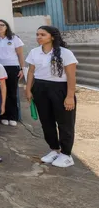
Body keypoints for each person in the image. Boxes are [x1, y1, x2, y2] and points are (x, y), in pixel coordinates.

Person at [25, 26, 78, 168]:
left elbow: (71, 76)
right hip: (40, 89)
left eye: (42, 34)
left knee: (65, 123)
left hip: (60, 89)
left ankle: (66, 154)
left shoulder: (65, 53)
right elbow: (31, 72)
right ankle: (54, 149)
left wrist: (70, 96)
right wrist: (28, 89)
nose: (39, 37)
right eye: (37, 34)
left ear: (52, 37)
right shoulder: (34, 52)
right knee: (46, 121)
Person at [0, 19, 26, 127]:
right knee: (0, 92)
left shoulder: (14, 38)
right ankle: (3, 116)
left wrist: (22, 69)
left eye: (2, 25)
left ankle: (13, 116)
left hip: (12, 67)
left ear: (6, 27)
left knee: (12, 93)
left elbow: (20, 54)